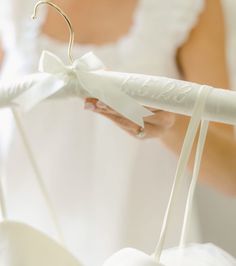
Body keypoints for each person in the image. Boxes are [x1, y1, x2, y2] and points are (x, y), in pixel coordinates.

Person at [0, 0, 234, 265]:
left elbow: (231, 173)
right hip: (24, 240)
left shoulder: (188, 6)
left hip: (143, 241)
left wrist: (173, 123)